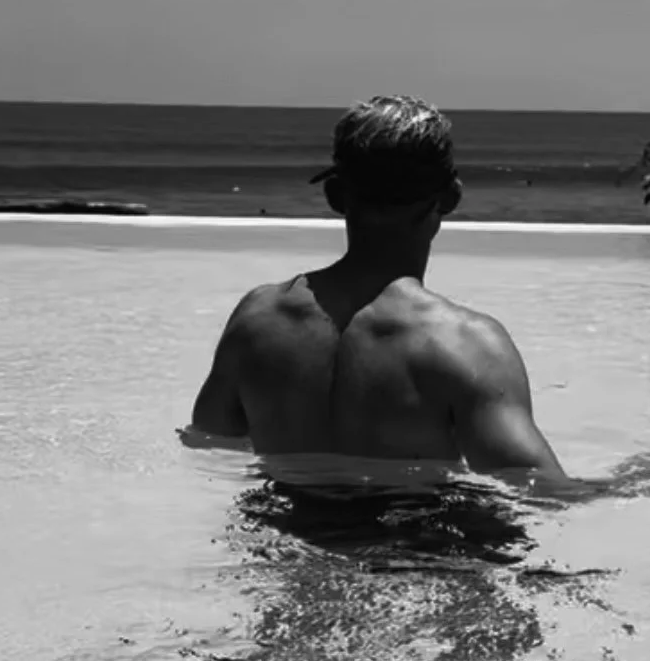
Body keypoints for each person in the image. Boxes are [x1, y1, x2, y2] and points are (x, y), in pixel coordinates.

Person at [190, 94, 568, 488]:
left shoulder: (259, 317)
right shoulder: (466, 344)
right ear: (451, 197)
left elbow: (206, 438)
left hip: (279, 537)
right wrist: (634, 479)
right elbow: (540, 488)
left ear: (335, 196)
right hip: (408, 542)